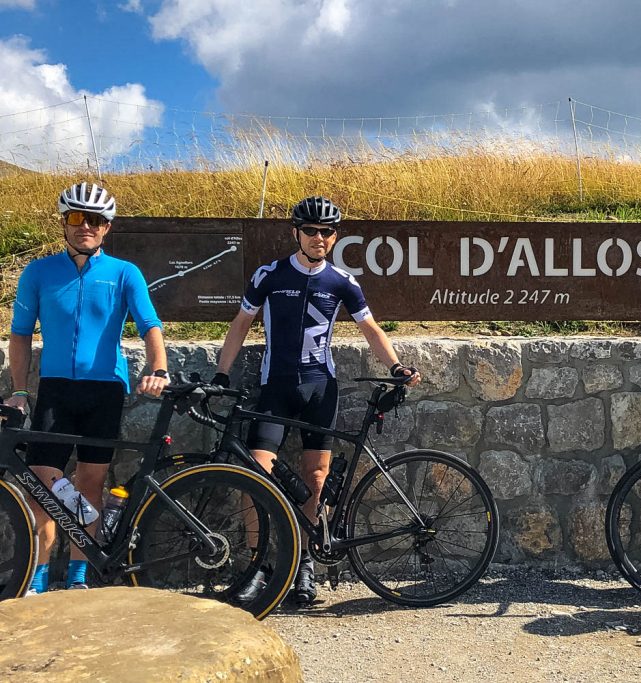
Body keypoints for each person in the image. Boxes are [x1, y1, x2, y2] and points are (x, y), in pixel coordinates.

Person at [214, 195, 421, 606]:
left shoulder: (342, 281)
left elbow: (371, 328)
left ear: (334, 236)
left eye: (327, 231)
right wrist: (222, 371)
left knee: (317, 479)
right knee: (255, 472)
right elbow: (240, 324)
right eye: (310, 231)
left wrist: (397, 365)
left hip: (319, 387)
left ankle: (304, 565)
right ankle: (260, 566)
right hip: (275, 387)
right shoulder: (269, 275)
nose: (319, 238)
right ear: (296, 233)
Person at [5, 182, 169, 593]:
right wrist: (20, 391)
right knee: (43, 483)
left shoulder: (124, 273)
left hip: (104, 389)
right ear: (65, 222)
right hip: (57, 389)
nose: (86, 227)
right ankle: (38, 577)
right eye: (77, 218)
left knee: (90, 482)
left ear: (107, 228)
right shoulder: (39, 272)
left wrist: (160, 368)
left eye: (95, 220)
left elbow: (150, 325)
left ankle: (79, 575)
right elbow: (21, 334)